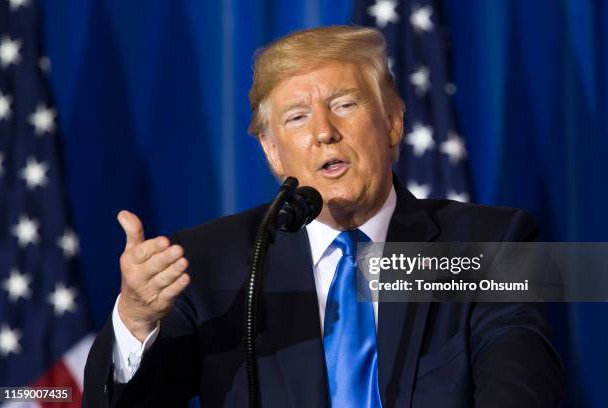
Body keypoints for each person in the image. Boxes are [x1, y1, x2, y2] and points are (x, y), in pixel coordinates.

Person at [82, 26, 565, 407]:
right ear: (273, 152)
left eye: (344, 105)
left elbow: (520, 385)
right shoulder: (211, 265)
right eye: (296, 118)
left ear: (393, 123)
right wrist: (136, 320)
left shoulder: (487, 246)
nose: (323, 133)